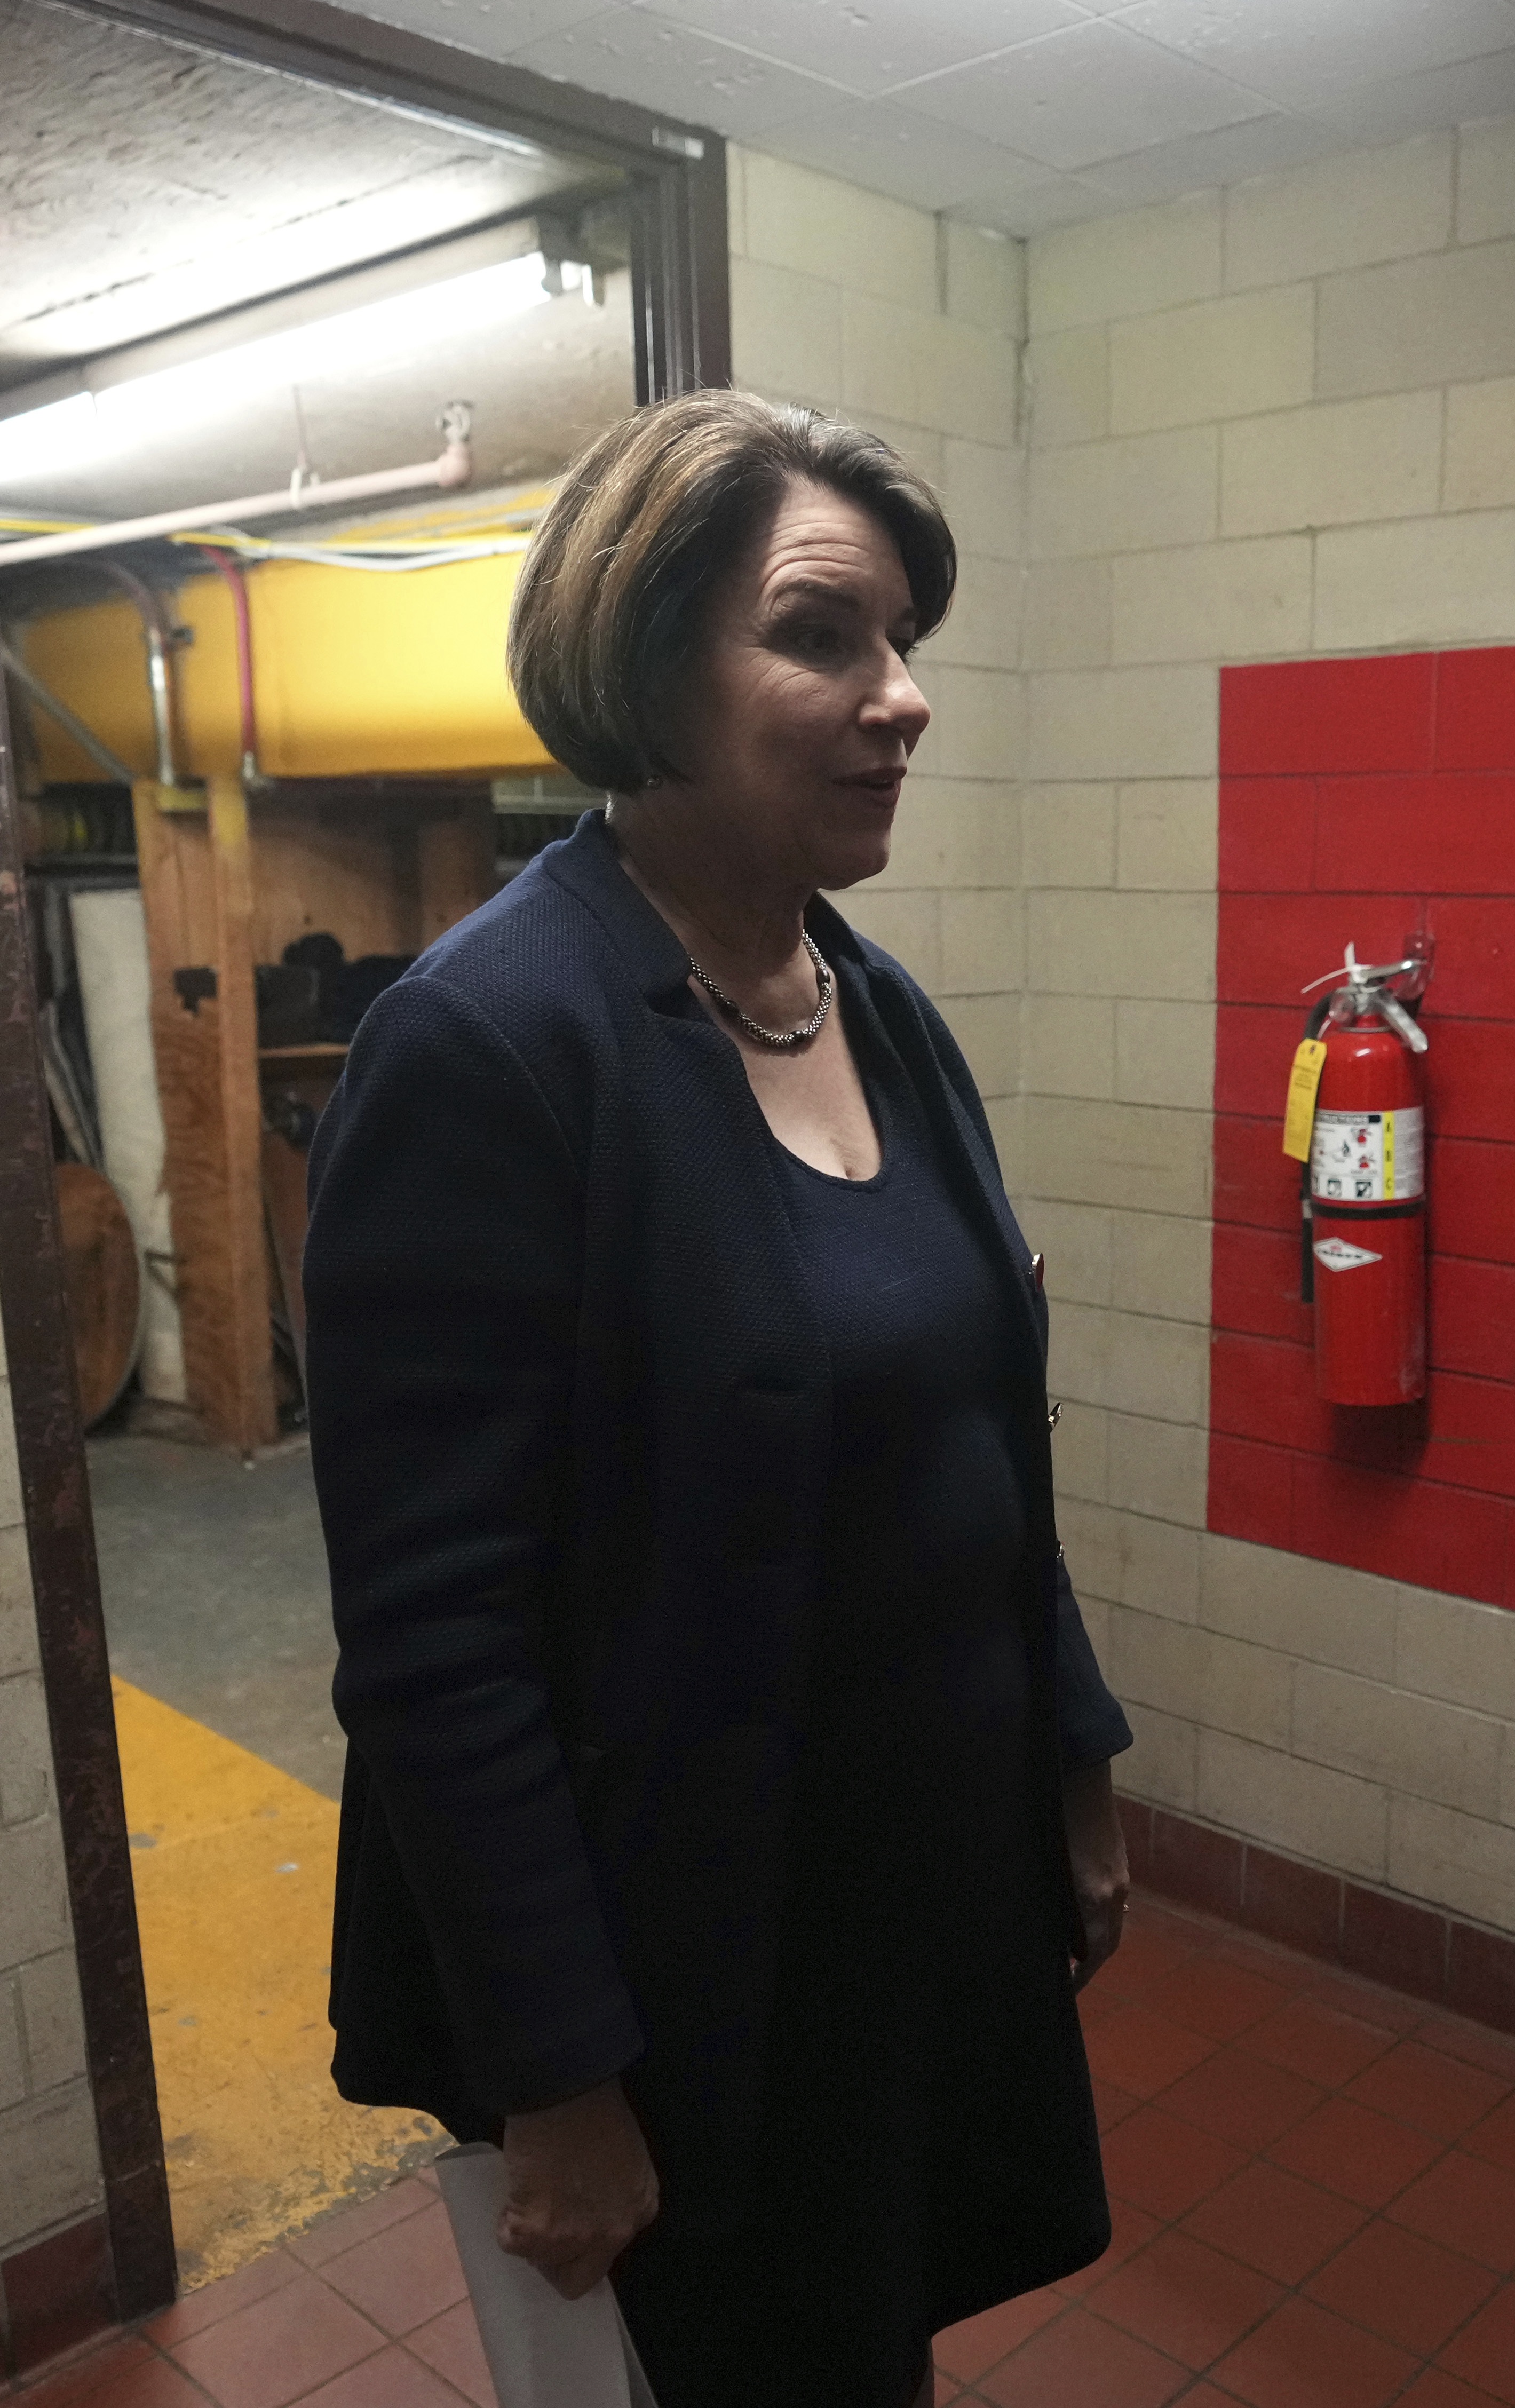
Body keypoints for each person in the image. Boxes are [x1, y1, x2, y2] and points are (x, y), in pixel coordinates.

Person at [307, 389, 1132, 2408]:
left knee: (865, 2351)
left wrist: (1075, 1768)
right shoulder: (492, 1051)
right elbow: (434, 1643)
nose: (904, 696)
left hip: (901, 1905)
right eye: (824, 634)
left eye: (905, 641)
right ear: (647, 659)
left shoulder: (883, 1008)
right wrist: (560, 2075)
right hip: (682, 1956)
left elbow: (976, 1438)